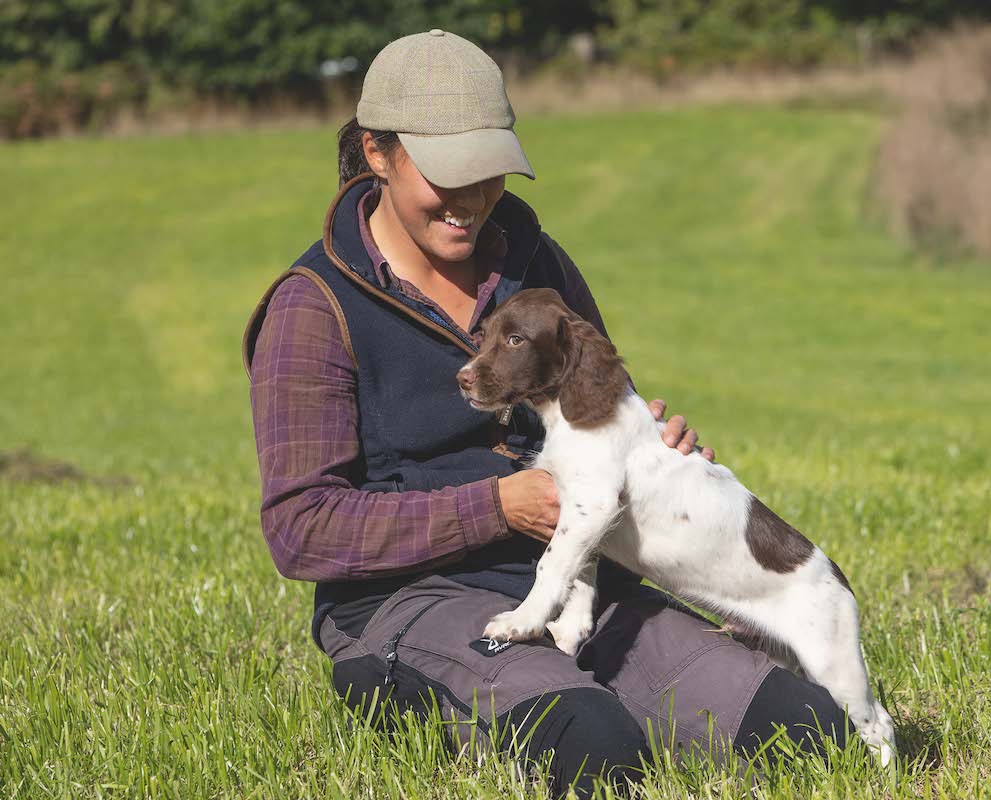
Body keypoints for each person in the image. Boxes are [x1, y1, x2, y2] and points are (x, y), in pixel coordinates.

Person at [244, 29, 850, 798]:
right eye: (448, 174)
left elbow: (598, 417)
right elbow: (303, 530)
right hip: (411, 601)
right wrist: (497, 507)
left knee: (811, 734)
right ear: (376, 152)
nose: (471, 200)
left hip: (583, 584)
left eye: (489, 172)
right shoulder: (312, 308)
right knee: (596, 749)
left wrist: (648, 451)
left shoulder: (539, 265)